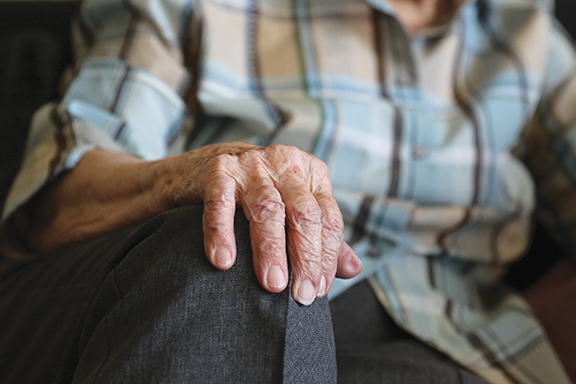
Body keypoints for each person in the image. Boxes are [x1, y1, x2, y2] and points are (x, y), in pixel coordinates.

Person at [0, 0, 575, 382]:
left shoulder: (528, 35)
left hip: (452, 339)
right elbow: (59, 195)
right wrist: (204, 173)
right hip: (201, 306)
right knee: (243, 234)